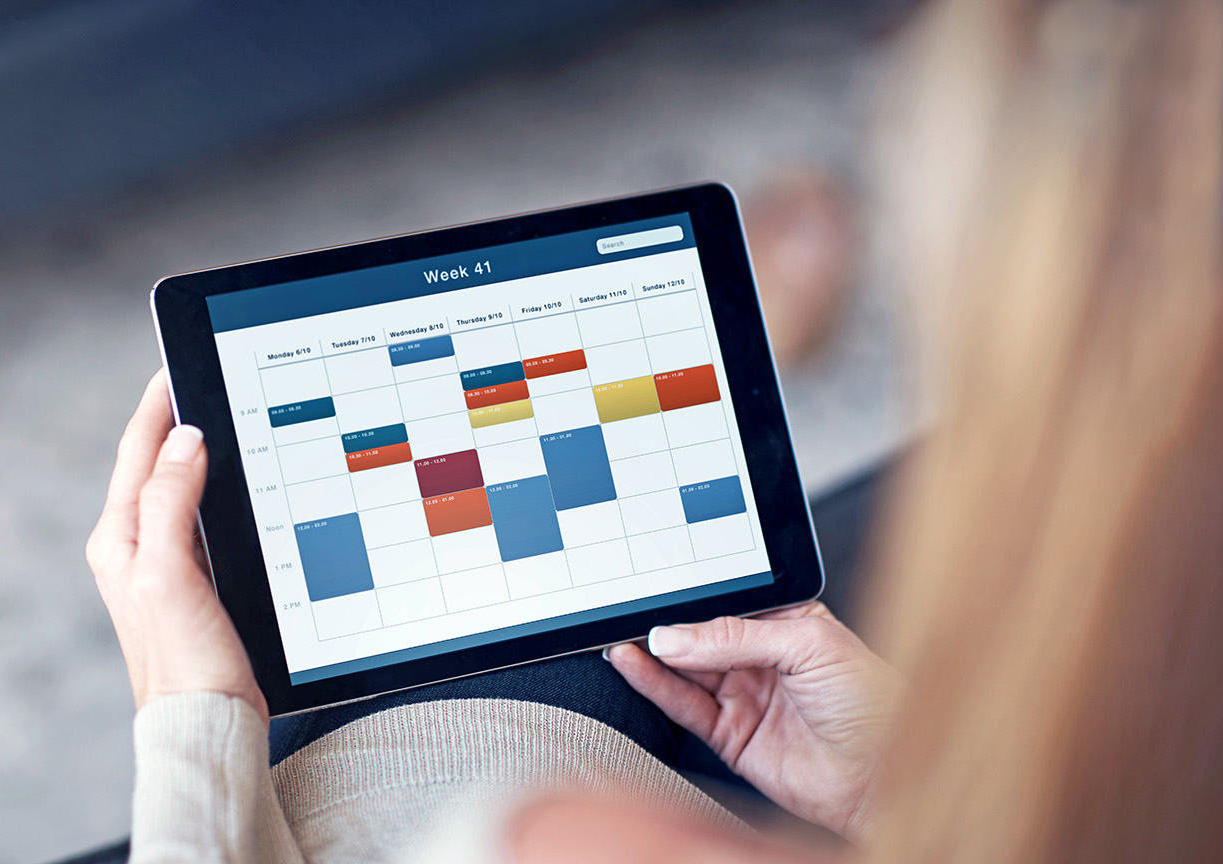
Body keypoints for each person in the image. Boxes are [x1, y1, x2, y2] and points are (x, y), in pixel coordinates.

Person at [84, 0, 1223, 860]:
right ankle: (703, 350)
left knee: (512, 605)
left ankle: (692, 350)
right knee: (678, 552)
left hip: (385, 793)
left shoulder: (563, 838)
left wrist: (190, 712)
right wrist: (908, 792)